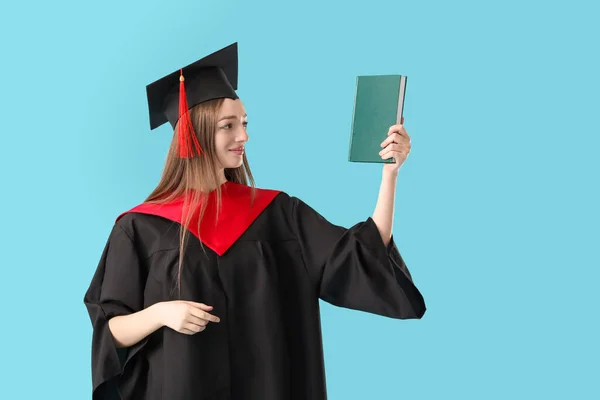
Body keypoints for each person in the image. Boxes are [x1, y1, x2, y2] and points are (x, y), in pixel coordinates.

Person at [83, 42, 426, 400]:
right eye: (227, 126)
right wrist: (160, 314)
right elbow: (111, 332)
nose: (243, 136)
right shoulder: (140, 228)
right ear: (193, 134)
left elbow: (360, 256)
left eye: (244, 123)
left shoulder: (277, 214)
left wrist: (391, 175)